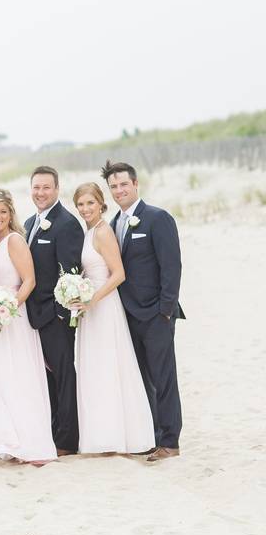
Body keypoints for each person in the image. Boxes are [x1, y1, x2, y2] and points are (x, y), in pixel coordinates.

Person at [103, 161, 184, 462]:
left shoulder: (157, 218)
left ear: (135, 184)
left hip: (155, 314)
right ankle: (150, 437)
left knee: (163, 378)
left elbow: (171, 266)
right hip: (127, 314)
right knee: (141, 379)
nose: (119, 190)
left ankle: (170, 441)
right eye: (113, 186)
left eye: (124, 184)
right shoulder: (114, 224)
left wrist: (165, 310)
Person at [0, 188, 57, 464]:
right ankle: (11, 439)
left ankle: (31, 443)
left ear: (11, 214)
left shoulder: (15, 241)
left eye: (3, 212)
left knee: (19, 377)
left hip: (13, 320)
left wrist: (8, 309)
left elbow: (29, 280)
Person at [72, 182, 154, 455]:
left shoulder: (104, 232)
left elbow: (118, 273)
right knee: (94, 367)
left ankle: (117, 435)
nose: (85, 209)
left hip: (104, 307)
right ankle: (101, 434)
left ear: (101, 204)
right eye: (81, 204)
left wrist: (93, 298)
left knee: (108, 365)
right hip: (88, 307)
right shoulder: (88, 231)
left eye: (90, 203)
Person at [23, 166, 84, 456]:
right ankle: (51, 429)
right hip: (32, 316)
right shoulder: (28, 223)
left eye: (46, 187)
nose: (40, 193)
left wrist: (59, 314)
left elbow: (69, 276)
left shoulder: (67, 224)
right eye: (36, 187)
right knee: (44, 378)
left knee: (63, 376)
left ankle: (67, 440)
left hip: (55, 316)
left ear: (57, 189)